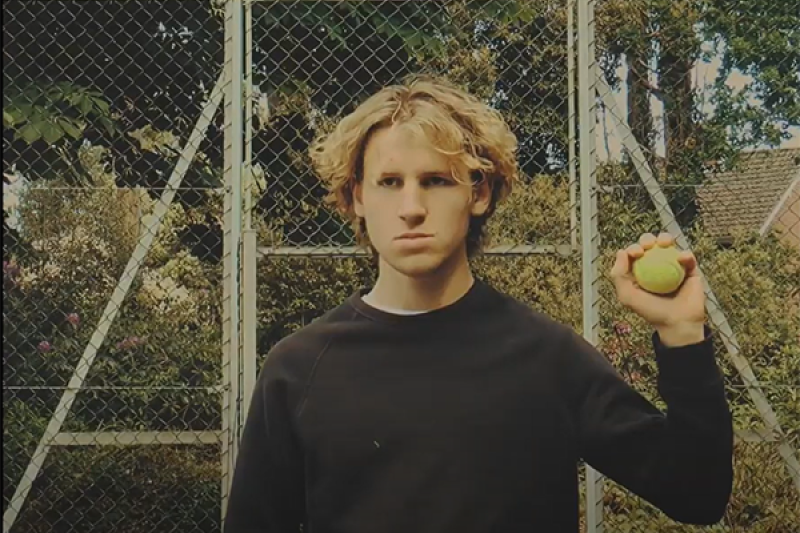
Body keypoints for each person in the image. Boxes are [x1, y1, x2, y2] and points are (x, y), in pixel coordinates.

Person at [223, 76, 733, 533]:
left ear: (479, 192)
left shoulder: (546, 357)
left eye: (436, 181)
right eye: (389, 182)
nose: (411, 208)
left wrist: (682, 334)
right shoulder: (298, 369)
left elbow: (696, 492)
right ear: (358, 197)